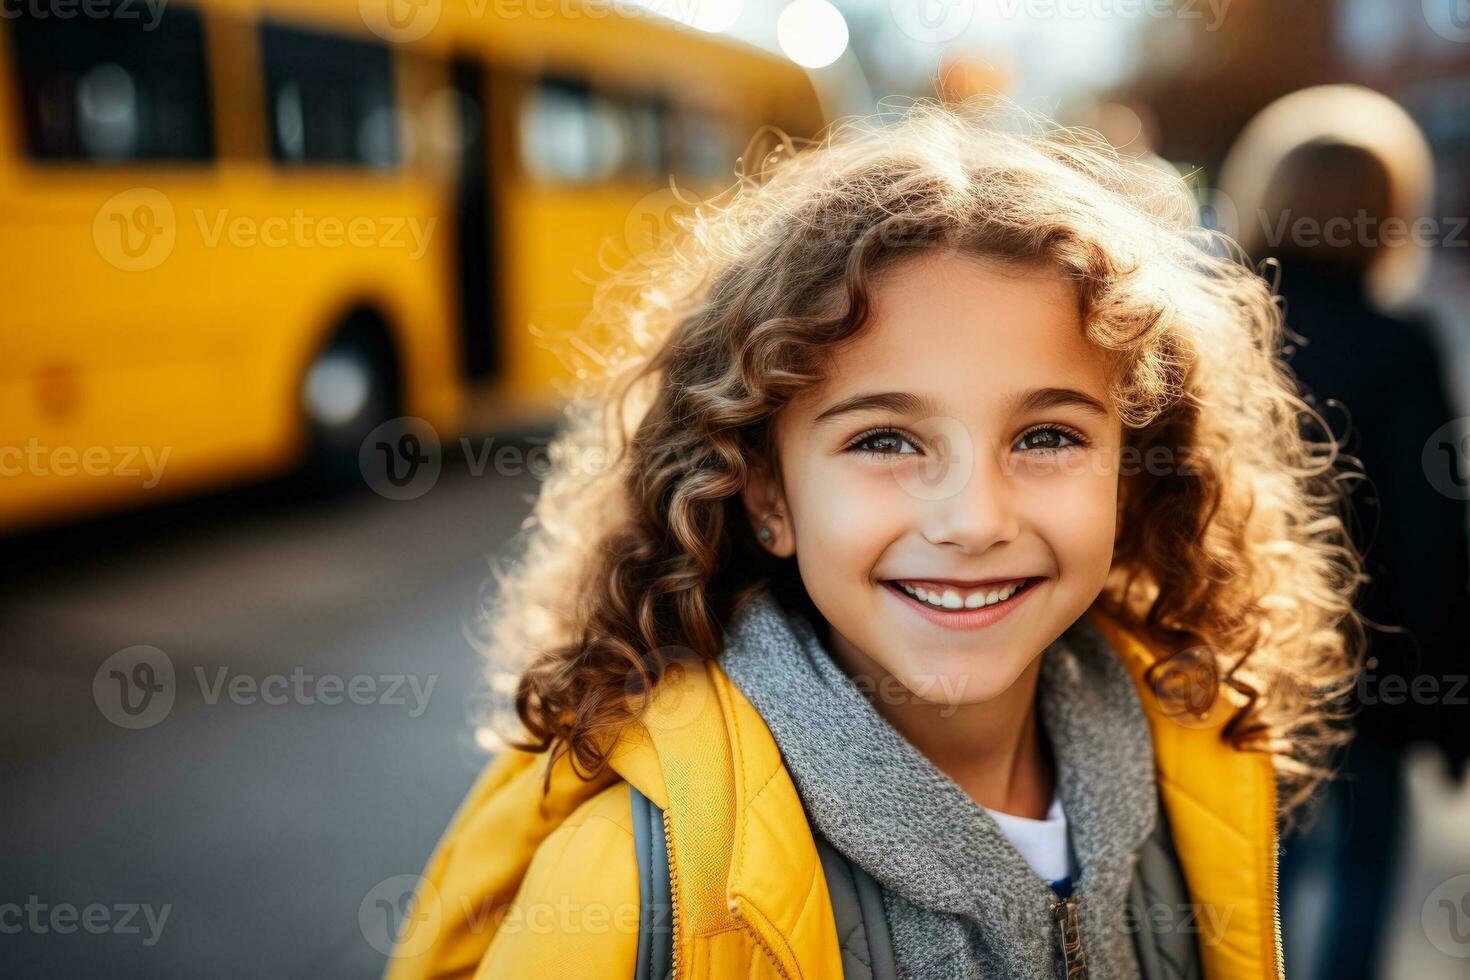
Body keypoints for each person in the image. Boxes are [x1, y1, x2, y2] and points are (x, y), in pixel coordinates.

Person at [385, 100, 1364, 979]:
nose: (975, 519)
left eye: (1048, 436)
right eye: (885, 439)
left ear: (1133, 467)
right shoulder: (638, 889)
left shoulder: (1195, 769)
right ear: (764, 489)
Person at [1220, 85, 1470, 980]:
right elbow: (1433, 533)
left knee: (1248, 884)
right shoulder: (1399, 345)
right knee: (1359, 888)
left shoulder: (1220, 324)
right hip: (1375, 674)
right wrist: (1449, 701)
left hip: (1240, 668)